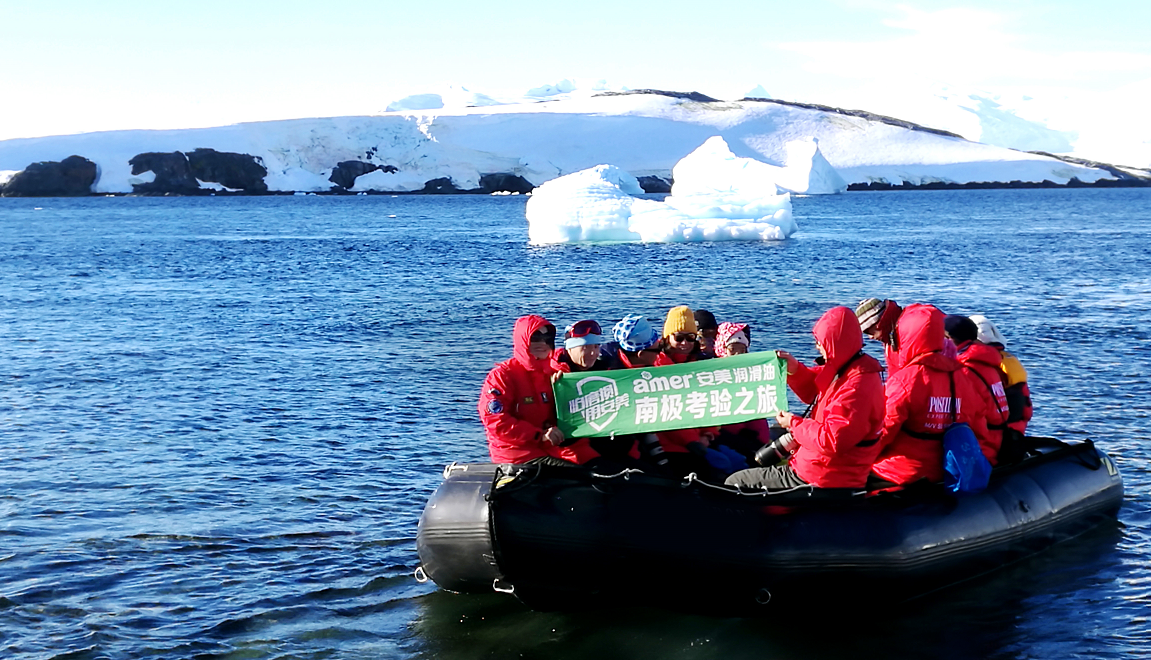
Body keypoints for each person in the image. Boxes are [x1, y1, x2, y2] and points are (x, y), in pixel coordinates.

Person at [725, 307, 886, 491]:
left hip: (824, 476)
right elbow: (814, 390)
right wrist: (794, 369)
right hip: (825, 468)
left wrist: (793, 423)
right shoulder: (851, 369)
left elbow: (832, 440)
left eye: (820, 342)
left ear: (834, 343)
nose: (817, 347)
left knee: (736, 481)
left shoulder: (856, 387)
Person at [870, 305, 993, 486]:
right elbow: (979, 427)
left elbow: (883, 432)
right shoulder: (963, 378)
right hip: (947, 468)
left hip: (902, 471)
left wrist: (856, 457)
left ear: (906, 335)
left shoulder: (904, 381)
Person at [478, 315, 598, 466]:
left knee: (604, 469)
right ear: (523, 340)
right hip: (518, 453)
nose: (542, 343)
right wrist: (538, 435)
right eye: (535, 337)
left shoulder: (553, 373)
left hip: (551, 448)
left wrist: (565, 382)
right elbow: (497, 422)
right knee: (579, 477)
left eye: (547, 338)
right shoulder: (502, 376)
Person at [945, 315, 1011, 463]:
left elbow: (966, 416)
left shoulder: (964, 370)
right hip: (998, 439)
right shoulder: (987, 362)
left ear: (950, 339)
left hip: (982, 448)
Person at [970, 314, 1033, 437]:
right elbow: (1026, 406)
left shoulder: (980, 364)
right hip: (1016, 428)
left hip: (992, 433)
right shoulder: (1010, 360)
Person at [856, 298, 904, 376]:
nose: (870, 337)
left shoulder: (903, 335)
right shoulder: (889, 339)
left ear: (878, 323)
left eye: (868, 331)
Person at [552, 319, 619, 373]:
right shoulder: (550, 370)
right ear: (569, 349)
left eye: (596, 347)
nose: (593, 353)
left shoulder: (605, 368)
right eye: (585, 348)